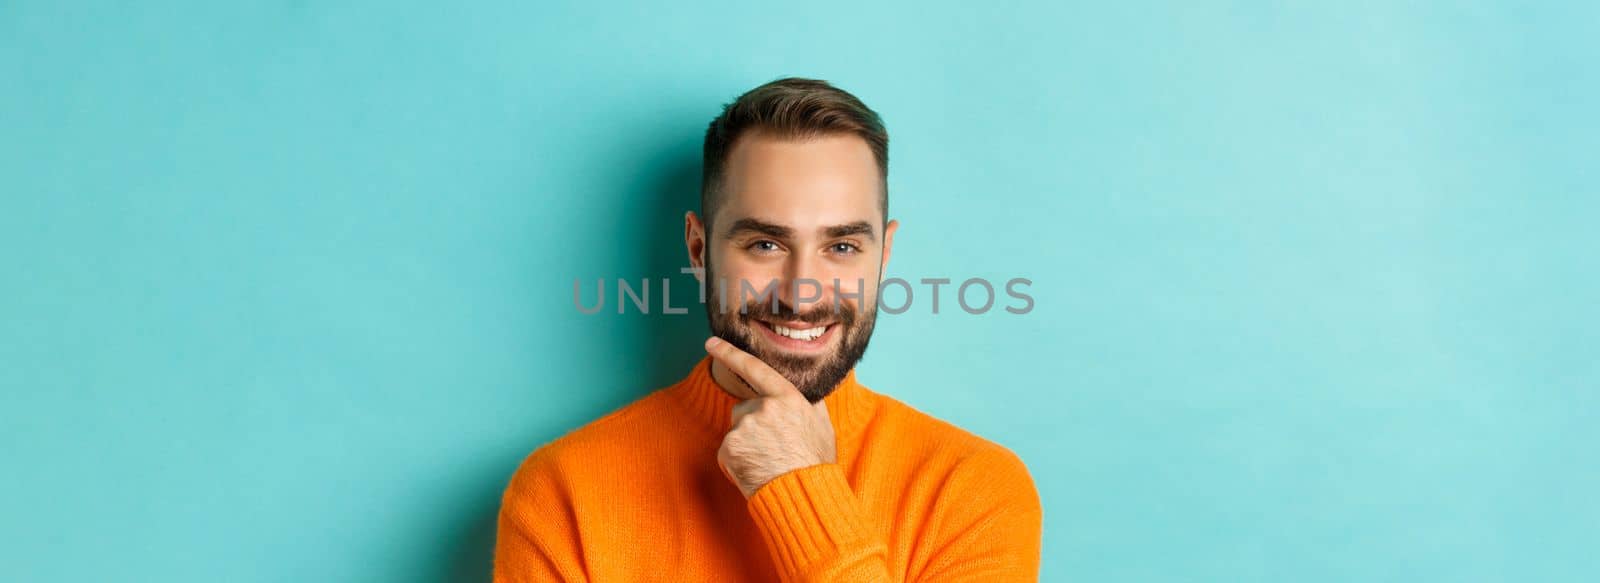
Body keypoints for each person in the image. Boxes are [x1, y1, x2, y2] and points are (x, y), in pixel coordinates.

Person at [494, 77, 1041, 582]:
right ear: (699, 249)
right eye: (766, 244)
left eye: (843, 247)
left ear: (884, 254)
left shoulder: (973, 489)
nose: (802, 292)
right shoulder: (564, 492)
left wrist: (798, 487)